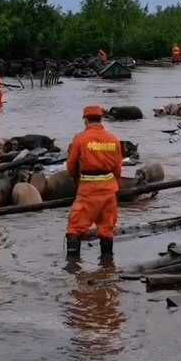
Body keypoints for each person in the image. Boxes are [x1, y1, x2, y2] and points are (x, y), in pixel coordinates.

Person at [65, 106, 123, 260]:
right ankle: (107, 265)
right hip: (109, 189)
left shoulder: (81, 139)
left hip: (88, 189)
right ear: (101, 119)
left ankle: (72, 267)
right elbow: (118, 168)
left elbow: (71, 165)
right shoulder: (113, 139)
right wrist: (114, 186)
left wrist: (76, 181)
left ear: (85, 120)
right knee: (107, 229)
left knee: (74, 228)